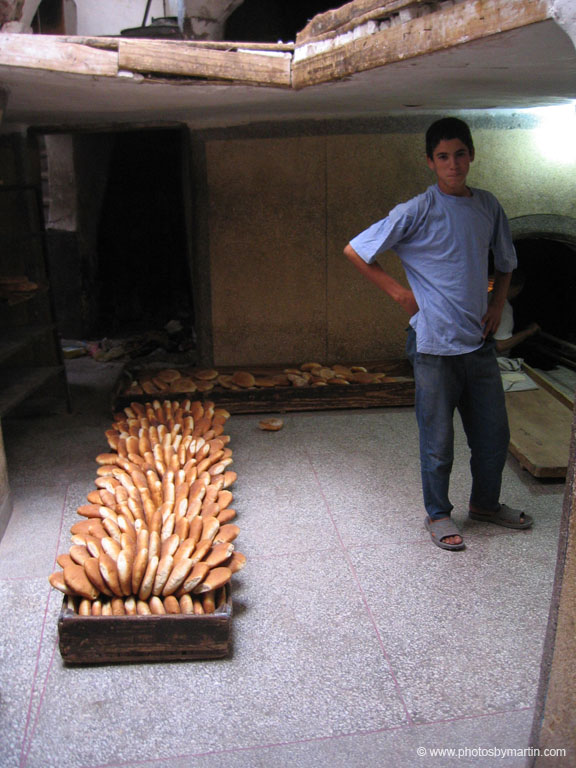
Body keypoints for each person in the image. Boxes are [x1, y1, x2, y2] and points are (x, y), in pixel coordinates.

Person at [344, 117, 533, 551]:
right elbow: (356, 249)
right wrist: (399, 294)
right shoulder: (417, 210)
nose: (454, 164)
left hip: (478, 344)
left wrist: (496, 303)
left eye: (460, 154)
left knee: (493, 436)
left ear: (472, 155)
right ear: (430, 162)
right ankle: (439, 514)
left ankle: (485, 504)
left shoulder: (488, 206)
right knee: (438, 442)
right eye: (443, 157)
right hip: (433, 346)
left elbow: (505, 262)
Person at [493, 269, 541, 357]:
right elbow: (500, 345)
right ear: (518, 288)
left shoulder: (485, 298)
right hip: (492, 361)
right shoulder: (504, 307)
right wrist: (529, 332)